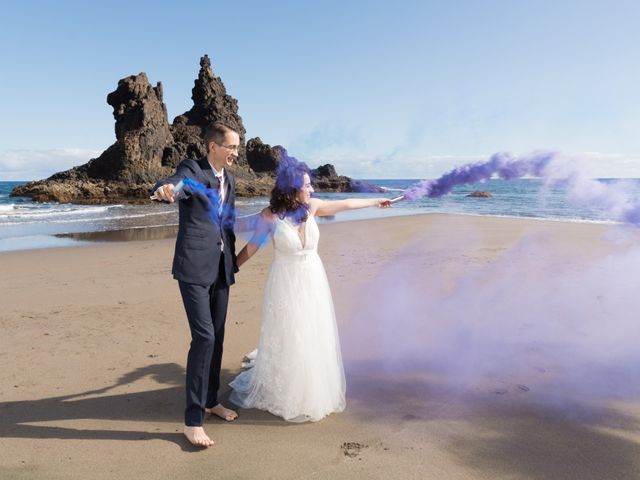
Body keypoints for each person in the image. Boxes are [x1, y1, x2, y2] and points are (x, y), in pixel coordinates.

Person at [229, 156, 391, 422]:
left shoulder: (312, 207)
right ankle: (289, 388)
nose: (312, 190)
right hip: (286, 282)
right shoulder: (271, 217)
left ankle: (312, 387)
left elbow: (347, 203)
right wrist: (233, 267)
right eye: (307, 185)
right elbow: (253, 246)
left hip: (313, 280)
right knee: (292, 332)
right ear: (292, 188)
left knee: (314, 330)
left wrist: (375, 201)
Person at [152, 122, 240, 447]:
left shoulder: (230, 180)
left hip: (220, 269)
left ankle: (211, 400)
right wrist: (167, 190)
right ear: (213, 146)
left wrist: (233, 264)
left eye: (237, 147)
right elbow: (179, 183)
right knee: (203, 336)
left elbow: (227, 226)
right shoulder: (194, 169)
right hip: (192, 268)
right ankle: (192, 419)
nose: (235, 152)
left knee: (217, 337)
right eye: (231, 147)